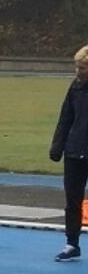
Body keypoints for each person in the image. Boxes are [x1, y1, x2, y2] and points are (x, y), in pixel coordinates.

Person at [49, 44, 88, 262]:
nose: (78, 72)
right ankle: (72, 243)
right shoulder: (75, 87)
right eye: (77, 68)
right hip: (75, 151)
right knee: (72, 200)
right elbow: (66, 117)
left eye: (82, 68)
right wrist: (57, 146)